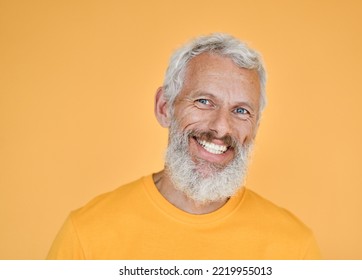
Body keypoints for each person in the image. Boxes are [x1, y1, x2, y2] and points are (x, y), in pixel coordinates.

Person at [47, 33, 321, 259]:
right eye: (204, 101)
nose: (221, 128)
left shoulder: (294, 249)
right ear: (165, 107)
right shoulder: (87, 234)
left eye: (241, 111)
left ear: (256, 127)